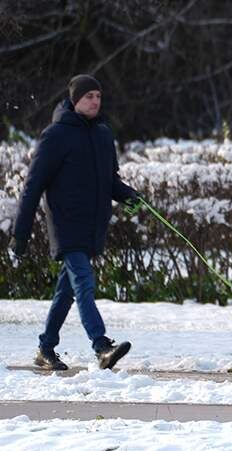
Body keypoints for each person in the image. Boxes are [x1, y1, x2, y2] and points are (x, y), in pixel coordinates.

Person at [11, 74, 138, 371]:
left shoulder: (103, 134)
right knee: (83, 282)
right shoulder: (55, 135)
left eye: (98, 96)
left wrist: (130, 196)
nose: (94, 101)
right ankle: (101, 346)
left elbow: (109, 180)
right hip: (66, 224)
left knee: (66, 290)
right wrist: (21, 232)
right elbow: (33, 185)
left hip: (92, 225)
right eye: (88, 96)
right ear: (74, 100)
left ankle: (45, 348)